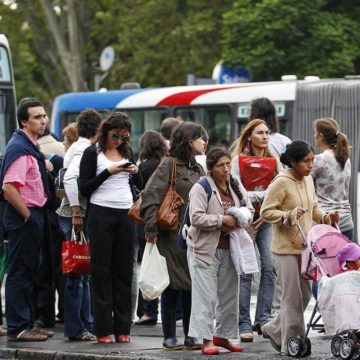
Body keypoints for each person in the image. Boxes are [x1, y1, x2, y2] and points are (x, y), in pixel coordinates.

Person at [260, 140, 339, 355]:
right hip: (284, 249)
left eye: (312, 160)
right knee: (292, 297)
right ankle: (292, 343)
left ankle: (273, 329)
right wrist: (286, 215)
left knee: (304, 296)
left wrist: (325, 217)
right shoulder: (280, 182)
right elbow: (266, 212)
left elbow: (313, 206)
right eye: (306, 161)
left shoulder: (307, 180)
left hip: (305, 247)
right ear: (293, 162)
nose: (311, 165)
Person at [140, 122, 205, 350]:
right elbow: (150, 196)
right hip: (170, 234)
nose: (204, 142)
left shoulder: (198, 169)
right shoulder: (168, 164)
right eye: (200, 138)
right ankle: (169, 337)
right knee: (171, 286)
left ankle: (190, 335)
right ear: (189, 141)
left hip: (194, 237)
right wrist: (150, 228)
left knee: (190, 286)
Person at [79, 112, 142, 344]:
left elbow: (139, 184)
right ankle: (103, 329)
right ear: (105, 132)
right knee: (101, 271)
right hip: (100, 213)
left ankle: (123, 328)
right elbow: (84, 188)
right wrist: (108, 172)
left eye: (124, 137)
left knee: (124, 271)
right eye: (115, 136)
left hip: (125, 213)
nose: (119, 141)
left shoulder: (126, 150)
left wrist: (135, 172)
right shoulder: (91, 153)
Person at [187, 146, 254, 355]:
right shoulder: (201, 187)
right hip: (205, 250)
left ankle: (223, 336)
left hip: (231, 249)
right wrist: (221, 220)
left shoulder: (235, 185)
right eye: (220, 165)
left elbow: (250, 209)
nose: (225, 169)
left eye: (227, 164)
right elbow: (195, 217)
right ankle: (206, 340)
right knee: (205, 297)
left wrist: (240, 218)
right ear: (211, 168)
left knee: (229, 296)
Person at [0, 97, 54, 341]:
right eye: (37, 117)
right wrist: (28, 216)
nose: (43, 121)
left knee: (32, 270)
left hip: (34, 214)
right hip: (25, 217)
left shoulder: (29, 145)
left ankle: (27, 323)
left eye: (44, 116)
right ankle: (18, 327)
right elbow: (9, 188)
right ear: (24, 121)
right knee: (20, 272)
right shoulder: (20, 148)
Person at [230, 119, 278, 342]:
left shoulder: (274, 160)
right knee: (246, 271)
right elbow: (239, 192)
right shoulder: (237, 161)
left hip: (267, 219)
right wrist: (261, 197)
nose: (265, 136)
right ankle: (243, 323)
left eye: (267, 132)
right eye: (260, 132)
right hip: (245, 219)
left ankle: (263, 319)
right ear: (249, 136)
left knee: (269, 266)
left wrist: (265, 205)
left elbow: (278, 190)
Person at [57, 109, 103, 341]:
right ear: (97, 129)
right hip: (77, 215)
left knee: (78, 271)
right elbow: (70, 178)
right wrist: (77, 211)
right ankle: (79, 327)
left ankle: (83, 325)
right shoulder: (85, 149)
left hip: (72, 213)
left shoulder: (75, 146)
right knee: (79, 272)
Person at [135, 130, 168, 326]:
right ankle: (173, 310)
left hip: (147, 220)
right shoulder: (166, 165)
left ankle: (148, 310)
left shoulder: (143, 167)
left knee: (148, 265)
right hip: (167, 219)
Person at [312, 118, 353, 240]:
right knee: (345, 259)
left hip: (325, 221)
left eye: (315, 132)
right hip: (346, 221)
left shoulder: (319, 159)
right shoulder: (345, 158)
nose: (314, 136)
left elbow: (305, 184)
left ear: (320, 136)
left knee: (323, 259)